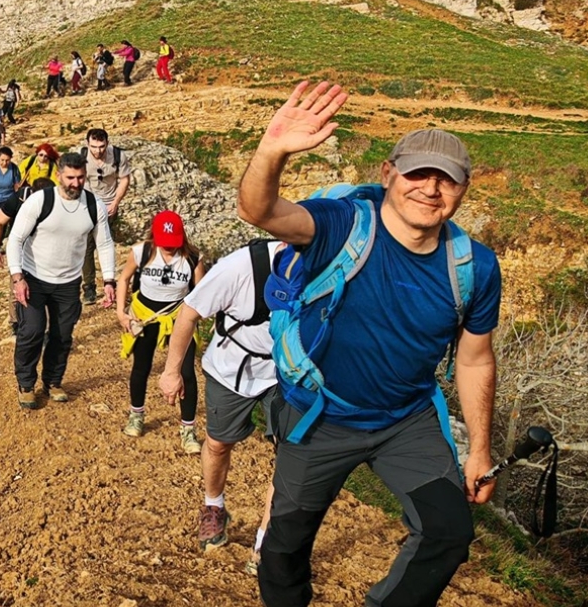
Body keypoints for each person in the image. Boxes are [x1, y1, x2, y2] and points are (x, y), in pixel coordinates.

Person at [236, 80, 501, 607]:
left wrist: (480, 448)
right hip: (320, 415)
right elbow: (260, 211)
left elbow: (475, 359)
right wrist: (272, 151)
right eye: (417, 174)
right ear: (388, 175)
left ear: (463, 190)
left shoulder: (475, 266)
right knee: (284, 546)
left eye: (445, 180)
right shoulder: (341, 224)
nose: (430, 188)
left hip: (406, 421)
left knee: (448, 533)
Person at [160, 239, 281, 572]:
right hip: (230, 367)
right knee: (217, 442)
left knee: (290, 455)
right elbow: (188, 314)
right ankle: (213, 508)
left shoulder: (329, 270)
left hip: (286, 372)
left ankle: (265, 541)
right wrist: (172, 372)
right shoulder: (239, 266)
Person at [6, 152, 116, 409]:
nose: (76, 183)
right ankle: (26, 384)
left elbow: (105, 243)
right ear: (58, 176)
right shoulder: (39, 201)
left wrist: (109, 281)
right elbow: (16, 239)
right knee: (32, 330)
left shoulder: (93, 204)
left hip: (68, 282)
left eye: (80, 178)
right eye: (70, 178)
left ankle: (53, 381)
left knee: (62, 335)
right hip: (33, 277)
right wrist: (17, 277)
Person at [115, 211, 206, 453]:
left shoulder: (193, 258)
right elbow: (124, 279)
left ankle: (188, 429)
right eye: (164, 244)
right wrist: (121, 312)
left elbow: (201, 293)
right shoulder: (141, 252)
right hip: (145, 314)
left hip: (179, 317)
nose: (169, 248)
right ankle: (136, 414)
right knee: (141, 367)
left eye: (173, 243)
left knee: (186, 372)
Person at [0, 177, 56, 336]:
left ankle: (46, 328)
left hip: (45, 249)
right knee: (17, 284)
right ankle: (16, 321)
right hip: (19, 246)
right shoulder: (19, 198)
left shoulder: (57, 202)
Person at [81, 128, 131, 304]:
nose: (98, 151)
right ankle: (89, 287)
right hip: (88, 205)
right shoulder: (82, 157)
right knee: (87, 246)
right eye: (94, 147)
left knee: (105, 242)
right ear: (88, 144)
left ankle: (109, 282)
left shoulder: (117, 156)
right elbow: (78, 181)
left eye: (101, 146)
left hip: (110, 205)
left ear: (107, 144)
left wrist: (115, 202)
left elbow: (124, 179)